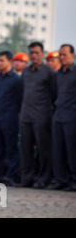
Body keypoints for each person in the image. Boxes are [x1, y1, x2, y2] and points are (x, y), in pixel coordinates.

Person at [18, 42, 56, 188]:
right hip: (26, 115)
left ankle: (43, 178)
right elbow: (22, 93)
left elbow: (54, 94)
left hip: (42, 116)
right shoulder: (26, 72)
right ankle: (27, 178)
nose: (34, 55)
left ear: (42, 54)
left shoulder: (49, 72)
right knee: (25, 149)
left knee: (43, 149)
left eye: (37, 53)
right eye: (31, 53)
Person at [0, 51, 22, 186]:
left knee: (11, 148)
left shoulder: (16, 79)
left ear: (10, 62)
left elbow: (20, 99)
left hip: (10, 118)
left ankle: (13, 177)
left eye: (1, 60)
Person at [49, 44, 76, 191]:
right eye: (60, 54)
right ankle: (60, 180)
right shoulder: (58, 74)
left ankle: (74, 180)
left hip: (72, 116)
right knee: (58, 149)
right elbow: (54, 94)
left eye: (64, 54)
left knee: (72, 150)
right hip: (58, 114)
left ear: (73, 55)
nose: (61, 57)